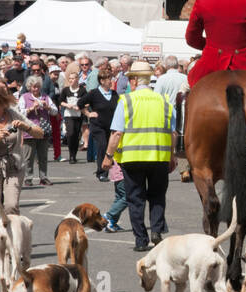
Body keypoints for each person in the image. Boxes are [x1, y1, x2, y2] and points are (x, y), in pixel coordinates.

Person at [101, 60, 176, 251]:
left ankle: (141, 240)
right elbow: (173, 133)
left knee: (136, 199)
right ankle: (157, 230)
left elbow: (117, 133)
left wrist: (108, 156)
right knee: (158, 196)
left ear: (134, 80)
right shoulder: (165, 101)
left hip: (132, 159)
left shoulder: (126, 101)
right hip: (159, 157)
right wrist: (172, 156)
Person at [0, 83, 42, 258]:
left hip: (13, 166)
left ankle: (13, 245)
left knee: (11, 206)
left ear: (3, 102)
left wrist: (26, 127)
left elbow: (39, 134)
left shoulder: (13, 114)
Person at [79, 66, 119, 182]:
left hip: (111, 126)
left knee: (110, 147)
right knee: (102, 145)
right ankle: (101, 172)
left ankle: (111, 169)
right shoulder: (94, 93)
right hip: (98, 125)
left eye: (111, 79)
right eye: (108, 79)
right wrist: (88, 114)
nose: (111, 82)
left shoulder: (114, 94)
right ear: (102, 81)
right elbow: (80, 103)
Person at [56, 66, 85, 164]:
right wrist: (67, 105)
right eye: (70, 79)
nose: (72, 80)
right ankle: (70, 154)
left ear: (77, 79)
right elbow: (60, 101)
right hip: (68, 114)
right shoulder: (66, 90)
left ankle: (74, 155)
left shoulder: (82, 90)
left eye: (74, 78)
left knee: (76, 135)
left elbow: (87, 102)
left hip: (78, 115)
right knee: (70, 133)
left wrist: (80, 106)